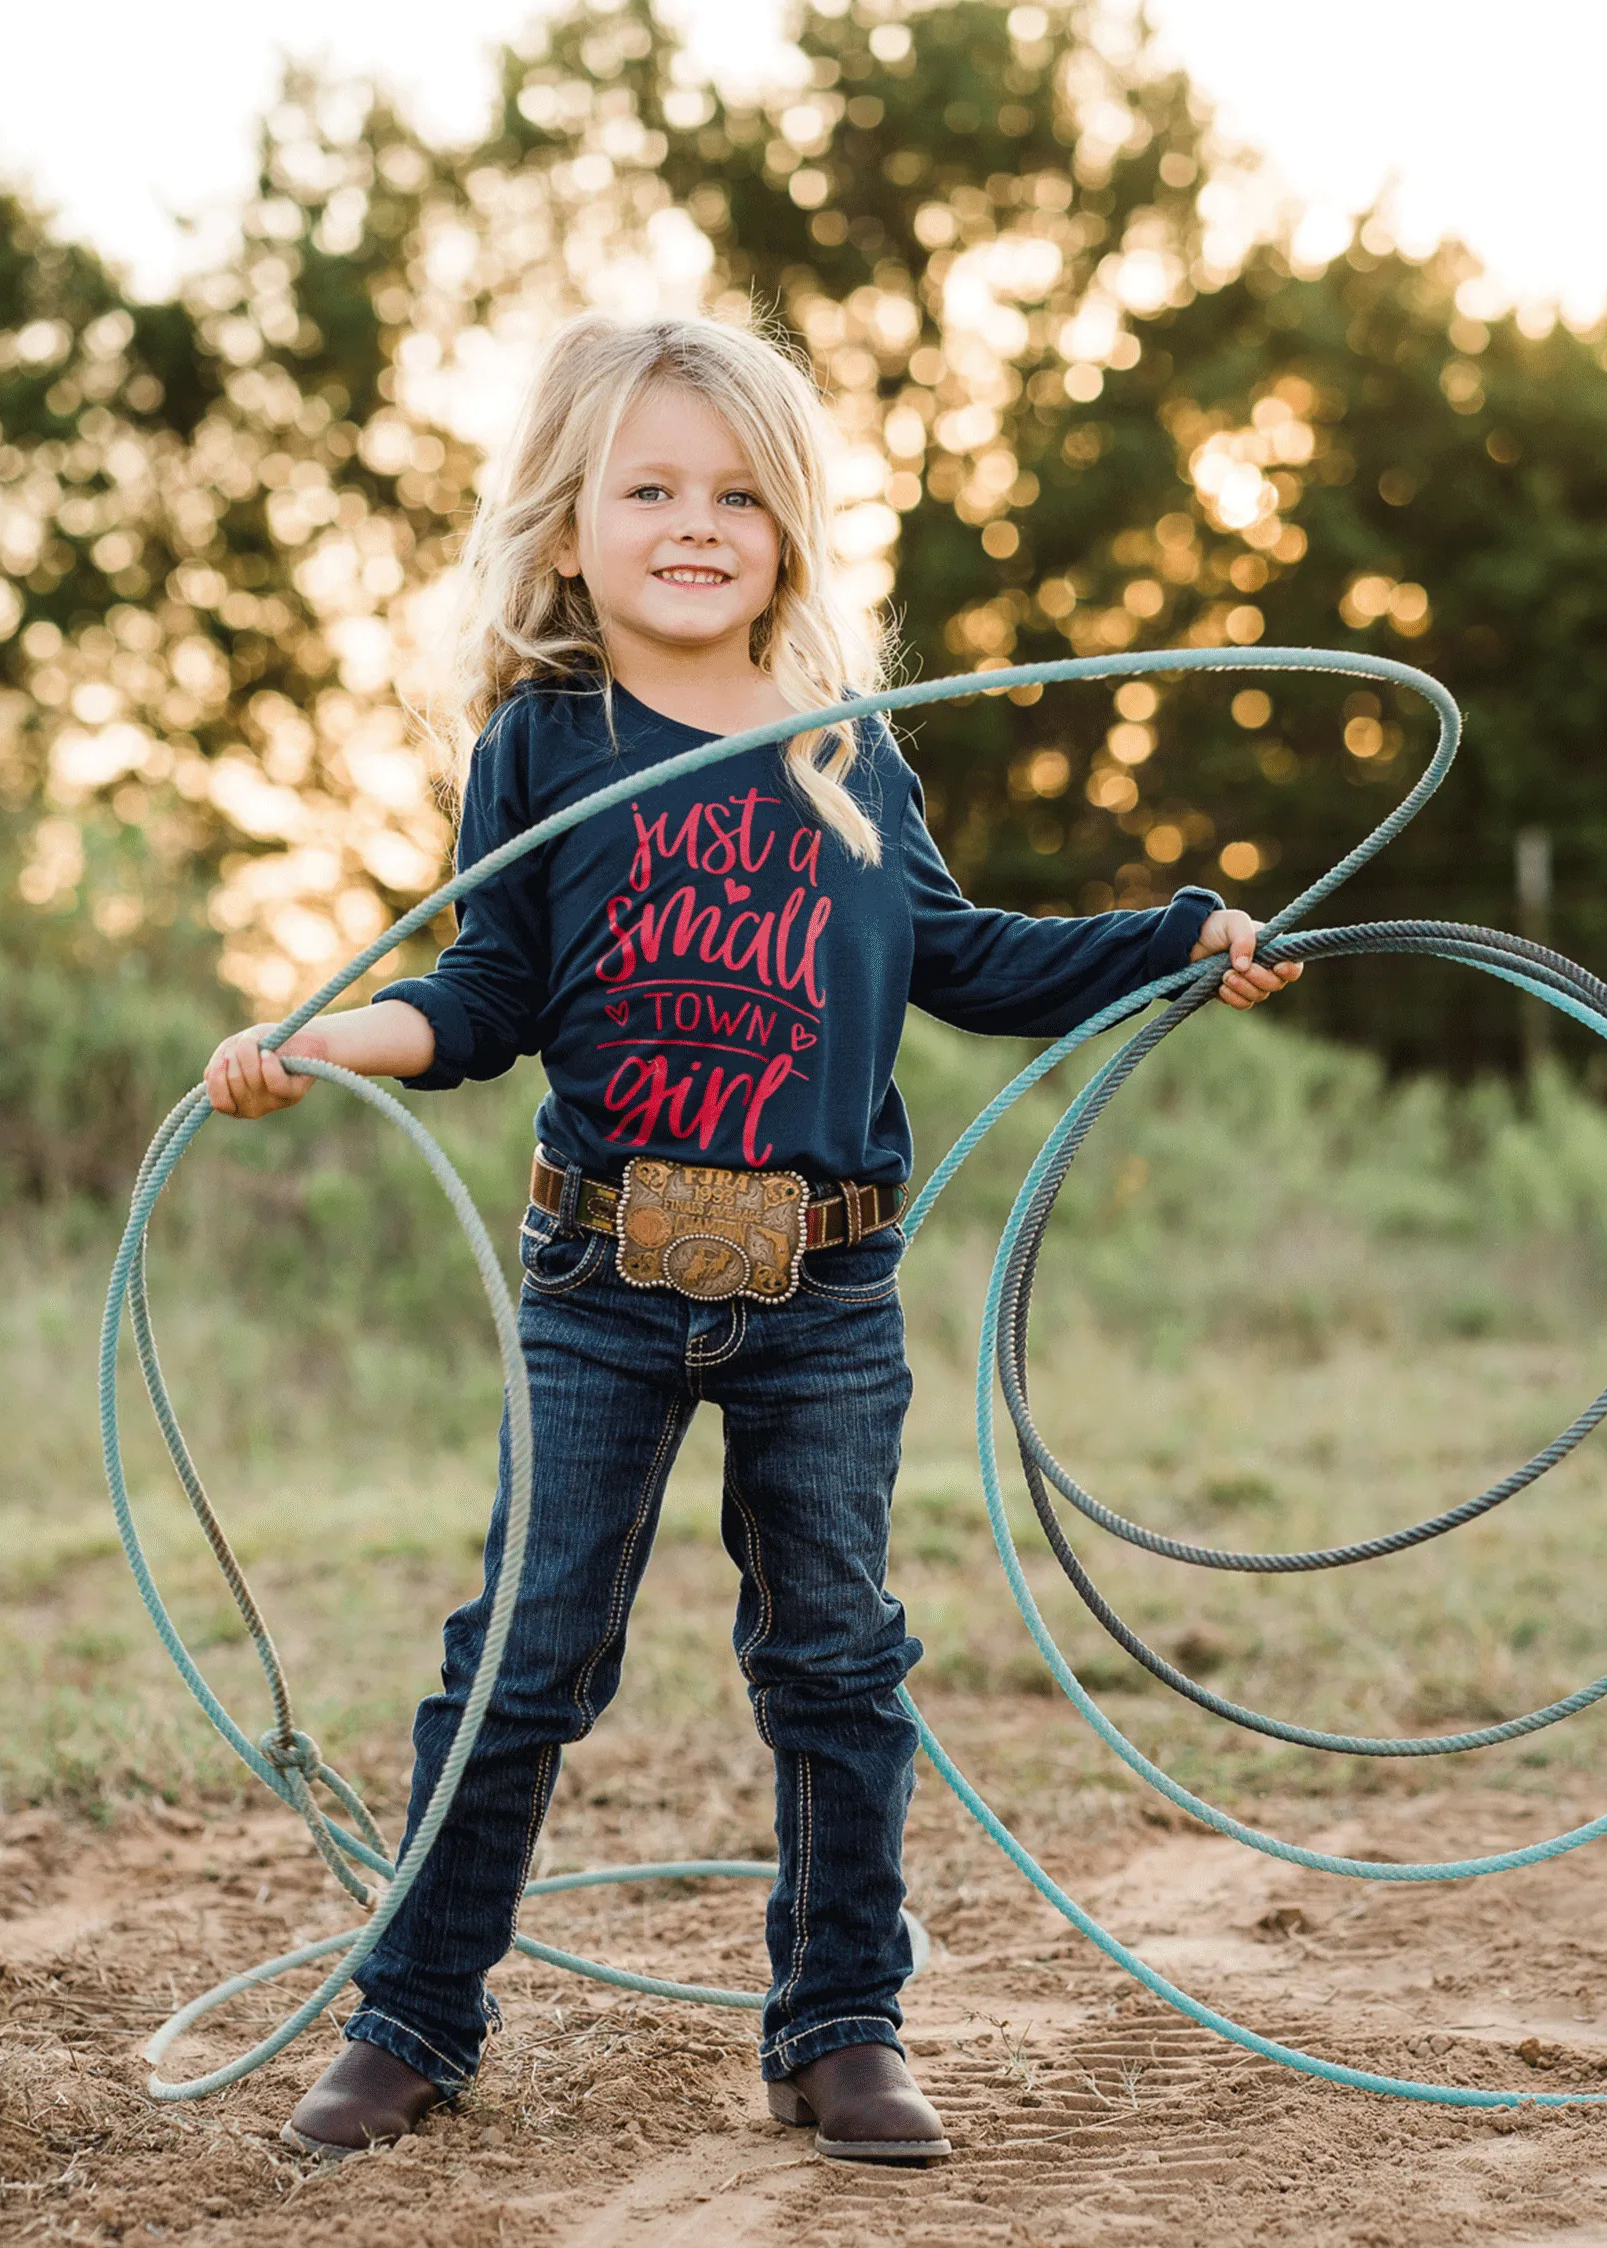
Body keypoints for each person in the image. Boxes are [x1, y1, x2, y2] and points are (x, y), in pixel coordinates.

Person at [204, 312, 1301, 2167]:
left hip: (827, 1289)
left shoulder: (849, 752)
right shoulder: (546, 744)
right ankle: (411, 2013)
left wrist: (1169, 938)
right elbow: (481, 998)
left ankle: (839, 2024)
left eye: (736, 493)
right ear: (567, 532)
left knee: (838, 1662)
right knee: (522, 1658)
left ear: (787, 529)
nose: (694, 524)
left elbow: (964, 960)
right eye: (648, 489)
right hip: (606, 1275)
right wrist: (322, 1037)